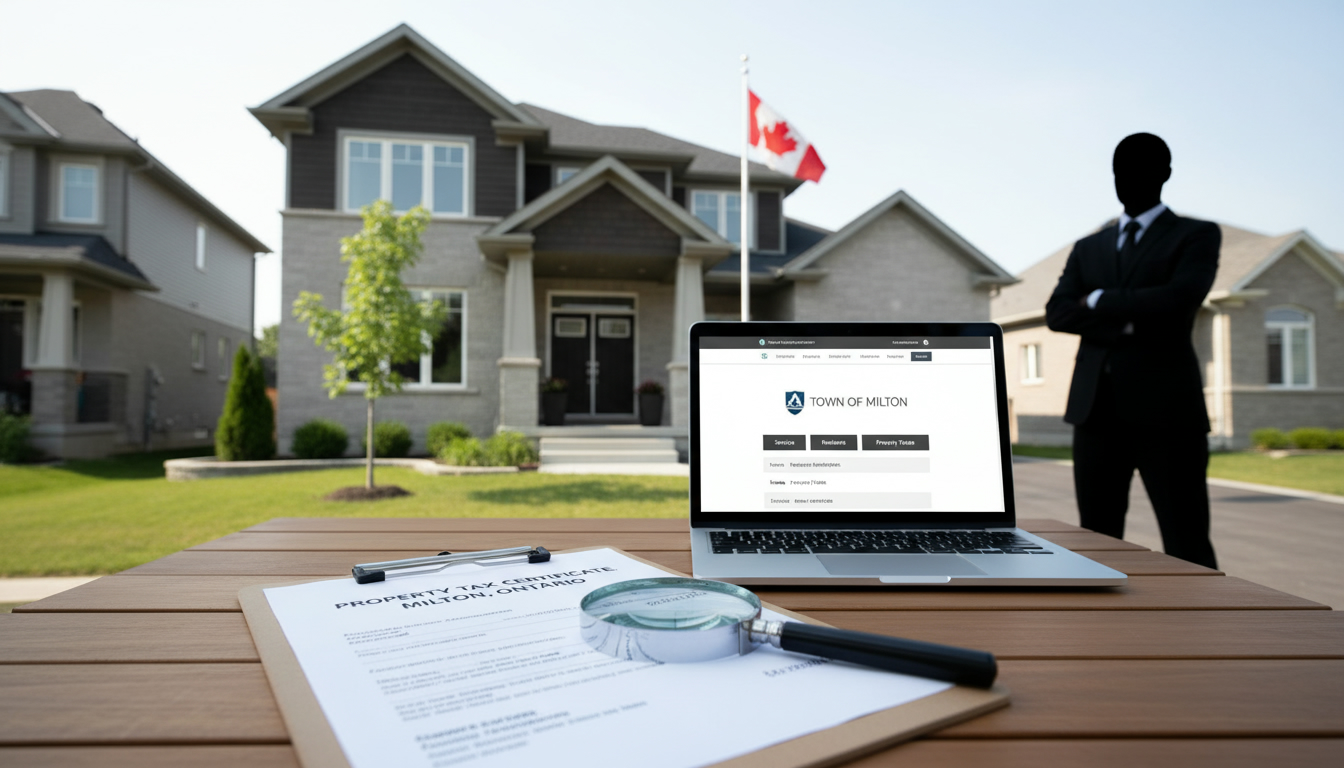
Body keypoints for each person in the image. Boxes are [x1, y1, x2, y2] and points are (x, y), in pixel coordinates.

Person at [1045, 133, 1219, 569]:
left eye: (1140, 169)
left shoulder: (1194, 235)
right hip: (1095, 414)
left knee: (1187, 539)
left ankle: (1201, 631)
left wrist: (1100, 301)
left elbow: (1180, 299)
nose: (1127, 179)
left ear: (1165, 175)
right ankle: (1100, 637)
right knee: (1096, 541)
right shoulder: (1090, 246)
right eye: (1120, 170)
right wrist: (1135, 312)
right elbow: (1058, 313)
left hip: (1168, 415)